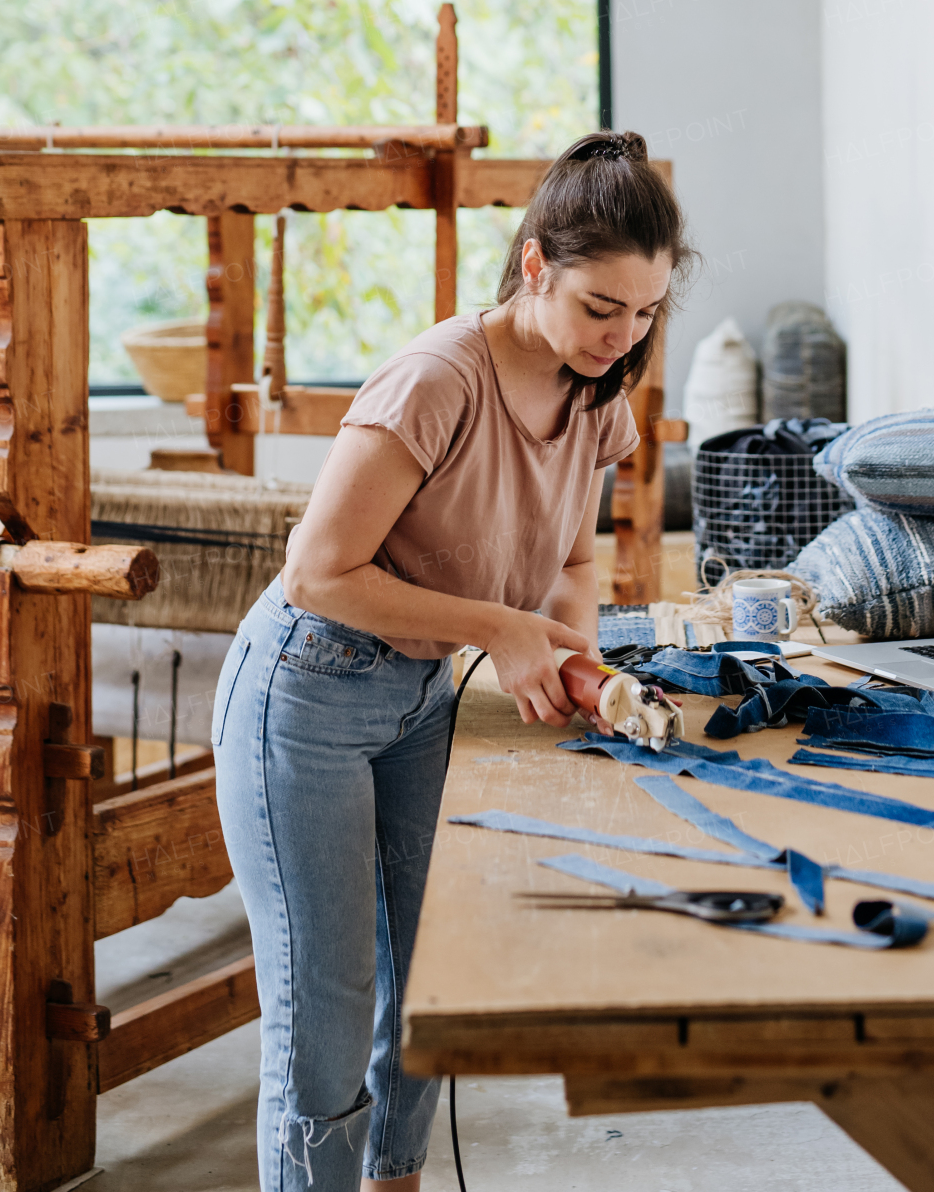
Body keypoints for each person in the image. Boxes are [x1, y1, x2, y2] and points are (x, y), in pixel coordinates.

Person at [214, 130, 693, 1192]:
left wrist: (570, 659)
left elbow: (571, 560)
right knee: (324, 1010)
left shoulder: (592, 397)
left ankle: (395, 1177)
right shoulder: (437, 379)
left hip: (420, 697)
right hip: (307, 693)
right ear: (534, 265)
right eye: (599, 308)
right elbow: (316, 574)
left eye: (645, 311)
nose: (622, 336)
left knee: (427, 974)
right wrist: (499, 628)